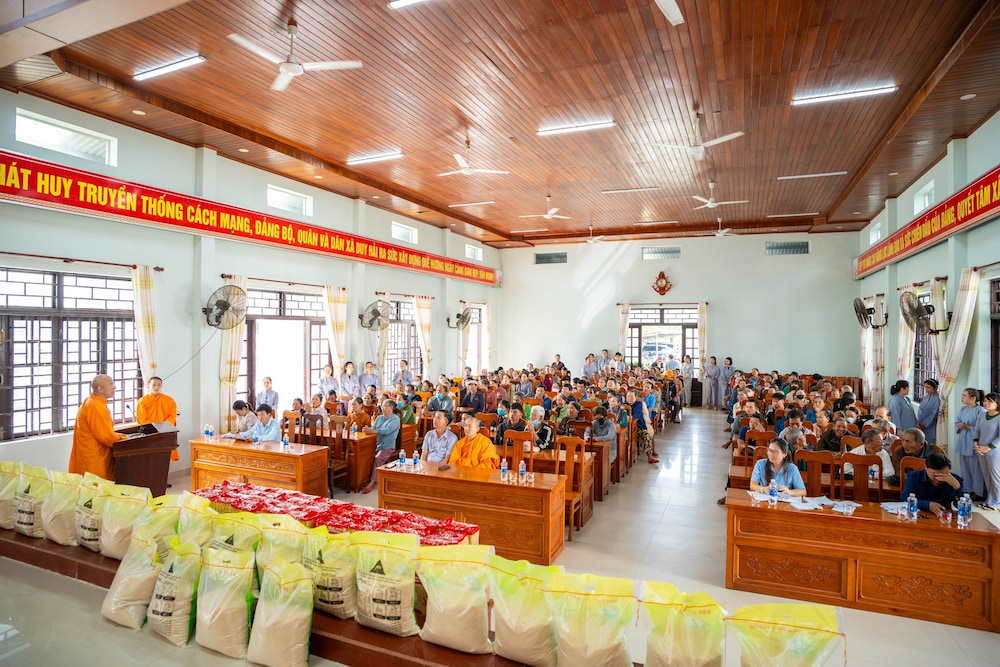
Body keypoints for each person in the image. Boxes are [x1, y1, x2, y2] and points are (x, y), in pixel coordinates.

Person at [68, 375, 129, 480]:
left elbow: (105, 431)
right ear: (100, 389)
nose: (114, 388)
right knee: (96, 486)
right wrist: (126, 438)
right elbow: (106, 437)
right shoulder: (95, 406)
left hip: (91, 455)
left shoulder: (92, 401)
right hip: (94, 457)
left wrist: (123, 436)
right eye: (111, 385)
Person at [135, 376, 179, 461]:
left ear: (161, 386)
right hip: (150, 433)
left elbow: (172, 416)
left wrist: (163, 426)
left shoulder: (169, 400)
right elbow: (141, 419)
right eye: (154, 385)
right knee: (150, 459)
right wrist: (154, 427)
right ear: (148, 386)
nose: (156, 387)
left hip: (165, 432)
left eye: (159, 385)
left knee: (165, 458)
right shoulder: (142, 401)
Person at [362, 400, 402, 493]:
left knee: (378, 458)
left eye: (384, 406)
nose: (382, 408)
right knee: (364, 455)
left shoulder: (395, 419)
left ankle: (372, 482)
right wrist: (367, 430)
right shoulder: (379, 418)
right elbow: (373, 429)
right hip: (376, 445)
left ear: (391, 408)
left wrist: (373, 431)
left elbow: (386, 431)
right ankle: (362, 480)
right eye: (382, 406)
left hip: (387, 446)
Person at [956, 388, 987, 500]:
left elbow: (983, 428)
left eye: (965, 395)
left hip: (974, 442)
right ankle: (967, 490)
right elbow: (957, 421)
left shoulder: (980, 411)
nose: (962, 397)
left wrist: (968, 427)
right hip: (963, 440)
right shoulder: (963, 409)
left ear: (973, 398)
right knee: (965, 468)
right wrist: (959, 425)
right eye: (962, 395)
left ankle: (978, 492)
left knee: (976, 469)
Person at [972, 392, 1000, 511]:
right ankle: (989, 500)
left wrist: (988, 447)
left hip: (994, 451)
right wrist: (976, 443)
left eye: (990, 401)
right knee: (987, 477)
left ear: (997, 404)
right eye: (985, 400)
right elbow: (977, 431)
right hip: (981, 450)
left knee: (996, 477)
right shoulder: (982, 415)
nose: (986, 403)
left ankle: (997, 503)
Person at [627, 389, 658, 464]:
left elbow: (636, 415)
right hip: (627, 428)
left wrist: (629, 417)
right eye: (628, 396)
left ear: (636, 397)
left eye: (632, 396)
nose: (630, 398)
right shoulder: (624, 405)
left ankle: (650, 457)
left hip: (638, 426)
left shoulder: (639, 404)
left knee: (646, 435)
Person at [917, 379, 941, 444]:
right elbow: (920, 409)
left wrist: (925, 423)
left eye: (928, 387)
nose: (926, 389)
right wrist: (919, 421)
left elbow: (934, 413)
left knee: (931, 444)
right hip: (922, 426)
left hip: (932, 426)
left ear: (935, 388)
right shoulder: (926, 397)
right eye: (925, 387)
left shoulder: (937, 399)